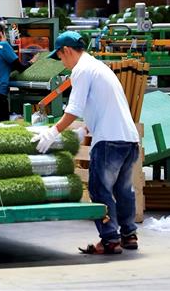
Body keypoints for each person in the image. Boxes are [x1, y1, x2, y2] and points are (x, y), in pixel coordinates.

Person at [32, 31, 140, 255]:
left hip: (109, 141)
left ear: (67, 51)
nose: (62, 63)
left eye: (60, 57)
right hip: (129, 139)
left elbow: (74, 109)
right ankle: (129, 235)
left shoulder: (81, 70)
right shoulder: (100, 68)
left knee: (99, 189)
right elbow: (104, 107)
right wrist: (84, 130)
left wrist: (52, 132)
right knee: (123, 190)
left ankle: (110, 239)